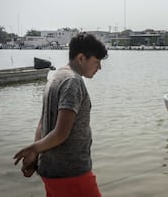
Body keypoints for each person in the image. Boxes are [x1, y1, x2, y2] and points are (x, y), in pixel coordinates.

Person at [13, 32, 108, 197]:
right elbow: (61, 133)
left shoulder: (55, 77)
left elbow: (42, 124)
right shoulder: (73, 82)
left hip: (49, 170)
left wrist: (35, 154)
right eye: (96, 61)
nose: (99, 67)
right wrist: (34, 148)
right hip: (71, 172)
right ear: (80, 58)